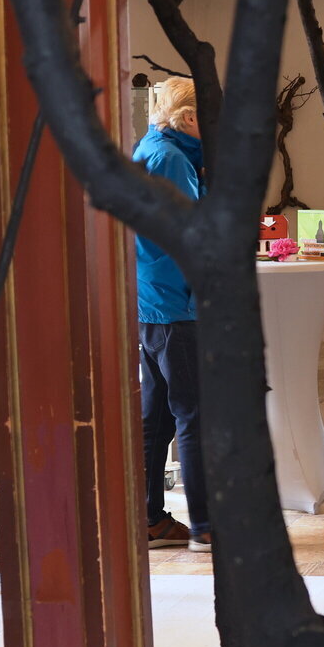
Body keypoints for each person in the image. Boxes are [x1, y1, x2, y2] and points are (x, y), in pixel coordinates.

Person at [133, 78, 210, 551]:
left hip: (152, 302)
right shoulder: (174, 160)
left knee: (157, 418)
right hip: (177, 303)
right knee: (195, 416)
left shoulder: (152, 149)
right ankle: (206, 527)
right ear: (189, 118)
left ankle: (149, 519)